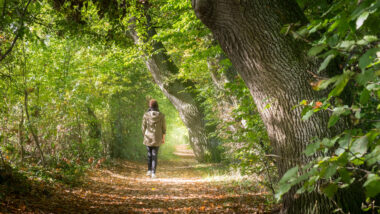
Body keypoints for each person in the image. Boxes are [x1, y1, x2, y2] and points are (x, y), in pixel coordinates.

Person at [142, 99, 166, 178]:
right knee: (154, 155)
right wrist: (163, 138)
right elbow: (164, 128)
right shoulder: (161, 115)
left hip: (148, 137)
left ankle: (149, 170)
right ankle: (153, 173)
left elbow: (143, 127)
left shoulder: (146, 115)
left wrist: (144, 135)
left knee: (149, 154)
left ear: (150, 105)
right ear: (157, 105)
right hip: (157, 137)